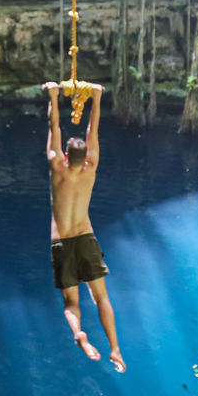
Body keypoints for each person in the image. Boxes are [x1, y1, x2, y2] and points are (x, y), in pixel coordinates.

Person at [43, 81, 125, 373]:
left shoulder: (57, 168)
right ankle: (115, 348)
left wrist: (53, 96)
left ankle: (79, 333)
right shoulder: (91, 168)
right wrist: (97, 99)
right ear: (84, 157)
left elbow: (55, 129)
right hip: (86, 237)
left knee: (71, 304)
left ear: (66, 156)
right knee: (101, 296)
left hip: (62, 242)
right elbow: (93, 132)